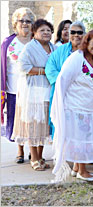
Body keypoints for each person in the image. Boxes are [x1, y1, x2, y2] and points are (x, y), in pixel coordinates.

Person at [50, 30, 93, 182]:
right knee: (80, 139)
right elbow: (63, 80)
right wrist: (61, 105)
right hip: (75, 108)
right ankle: (82, 170)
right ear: (86, 42)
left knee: (82, 138)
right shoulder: (76, 58)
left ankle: (76, 167)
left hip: (87, 108)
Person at [11, 19, 56, 171]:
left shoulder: (54, 48)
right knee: (33, 124)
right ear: (35, 33)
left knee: (44, 125)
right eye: (42, 30)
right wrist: (45, 71)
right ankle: (34, 157)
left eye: (48, 30)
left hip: (48, 90)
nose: (46, 33)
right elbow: (24, 67)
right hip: (32, 90)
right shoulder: (29, 48)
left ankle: (41, 156)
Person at [1, 7, 36, 164]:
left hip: (33, 88)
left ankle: (33, 151)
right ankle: (20, 150)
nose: (25, 23)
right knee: (16, 121)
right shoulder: (8, 43)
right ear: (15, 22)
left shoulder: (36, 41)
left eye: (28, 21)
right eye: (22, 20)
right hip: (14, 88)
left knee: (32, 120)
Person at [45, 21, 86, 140]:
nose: (76, 35)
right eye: (73, 32)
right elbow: (50, 69)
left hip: (80, 94)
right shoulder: (60, 50)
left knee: (80, 125)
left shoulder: (88, 52)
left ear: (84, 34)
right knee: (62, 124)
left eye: (80, 32)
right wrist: (65, 80)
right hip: (62, 92)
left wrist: (75, 83)